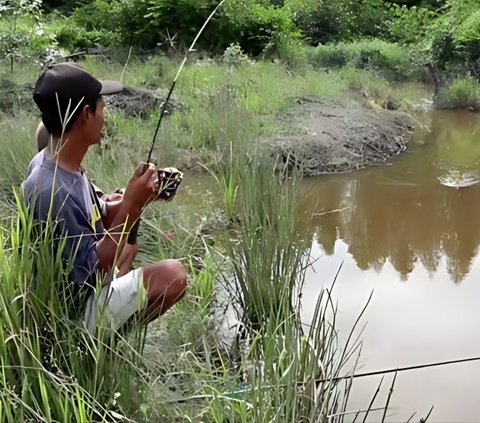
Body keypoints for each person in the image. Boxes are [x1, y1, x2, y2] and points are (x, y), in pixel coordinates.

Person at [22, 63, 187, 334]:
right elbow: (96, 270)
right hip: (70, 314)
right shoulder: (50, 189)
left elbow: (100, 213)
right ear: (87, 114)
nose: (105, 113)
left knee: (132, 251)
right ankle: (95, 346)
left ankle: (107, 330)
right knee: (173, 275)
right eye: (101, 105)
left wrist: (143, 195)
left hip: (84, 288)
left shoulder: (59, 163)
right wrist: (132, 204)